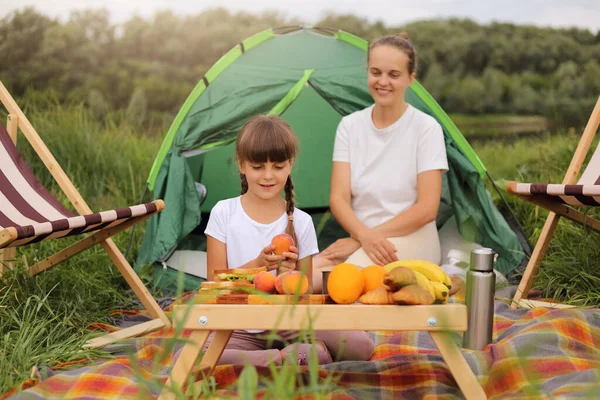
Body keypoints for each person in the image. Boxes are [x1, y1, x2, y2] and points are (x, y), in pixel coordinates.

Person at [204, 114, 374, 366]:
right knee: (190, 357)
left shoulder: (301, 221)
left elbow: (304, 291)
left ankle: (294, 351)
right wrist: (258, 265)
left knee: (362, 346)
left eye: (278, 166)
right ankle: (280, 357)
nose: (268, 176)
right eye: (258, 167)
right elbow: (214, 283)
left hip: (290, 322)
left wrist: (290, 275)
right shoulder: (224, 213)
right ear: (241, 165)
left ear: (290, 164)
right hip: (241, 325)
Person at [313, 33, 449, 293]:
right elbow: (338, 198)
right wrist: (363, 237)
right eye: (376, 72)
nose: (383, 82)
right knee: (304, 278)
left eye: (394, 75)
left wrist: (365, 239)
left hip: (412, 239)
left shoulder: (426, 128)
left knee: (337, 284)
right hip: (364, 238)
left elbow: (427, 209)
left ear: (411, 79)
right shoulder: (350, 126)